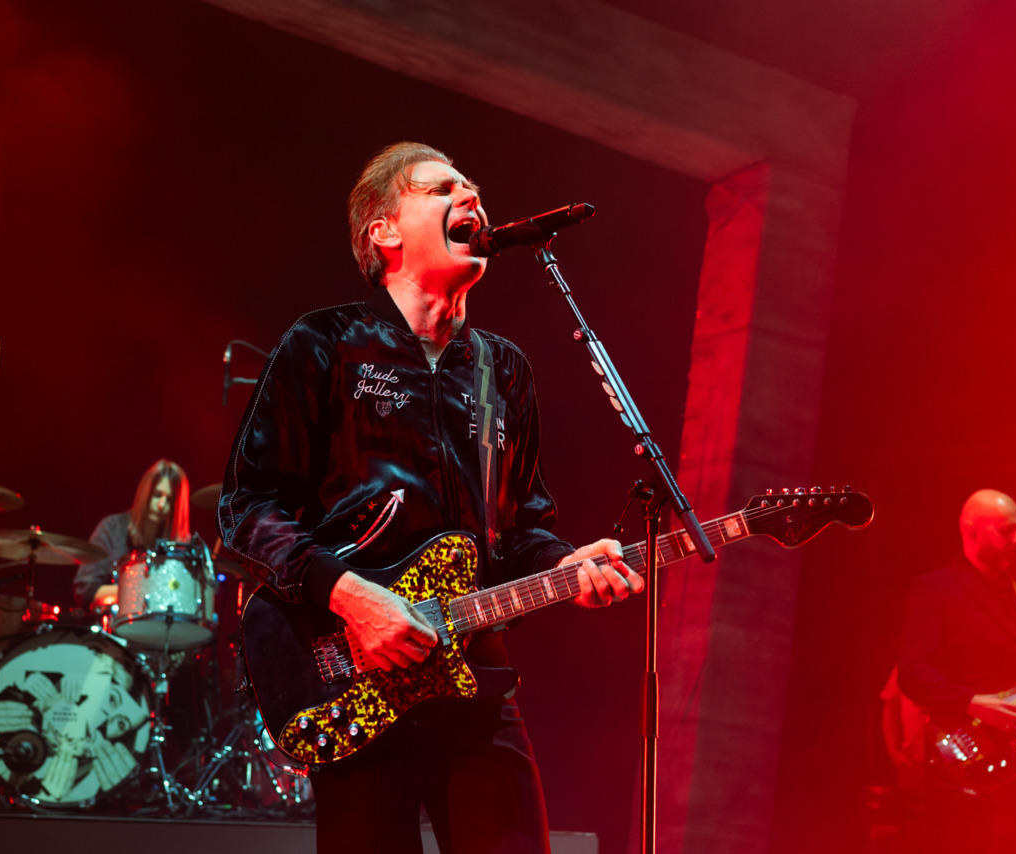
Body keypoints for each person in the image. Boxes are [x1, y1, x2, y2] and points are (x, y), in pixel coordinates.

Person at [217, 142, 644, 853]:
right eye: (443, 187)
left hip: (475, 683)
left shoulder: (501, 369)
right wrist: (356, 599)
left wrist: (570, 564)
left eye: (474, 188)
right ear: (383, 230)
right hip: (349, 671)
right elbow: (249, 508)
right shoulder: (325, 343)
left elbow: (516, 533)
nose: (471, 198)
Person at [898, 488, 1016, 853]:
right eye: (1007, 531)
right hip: (973, 760)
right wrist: (973, 702)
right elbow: (912, 672)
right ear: (971, 530)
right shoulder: (937, 589)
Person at [73, 458, 192, 610]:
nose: (161, 505)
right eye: (157, 495)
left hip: (162, 629)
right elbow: (85, 590)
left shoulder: (183, 544)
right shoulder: (111, 528)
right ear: (144, 493)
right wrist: (145, 590)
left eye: (169, 500)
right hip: (113, 627)